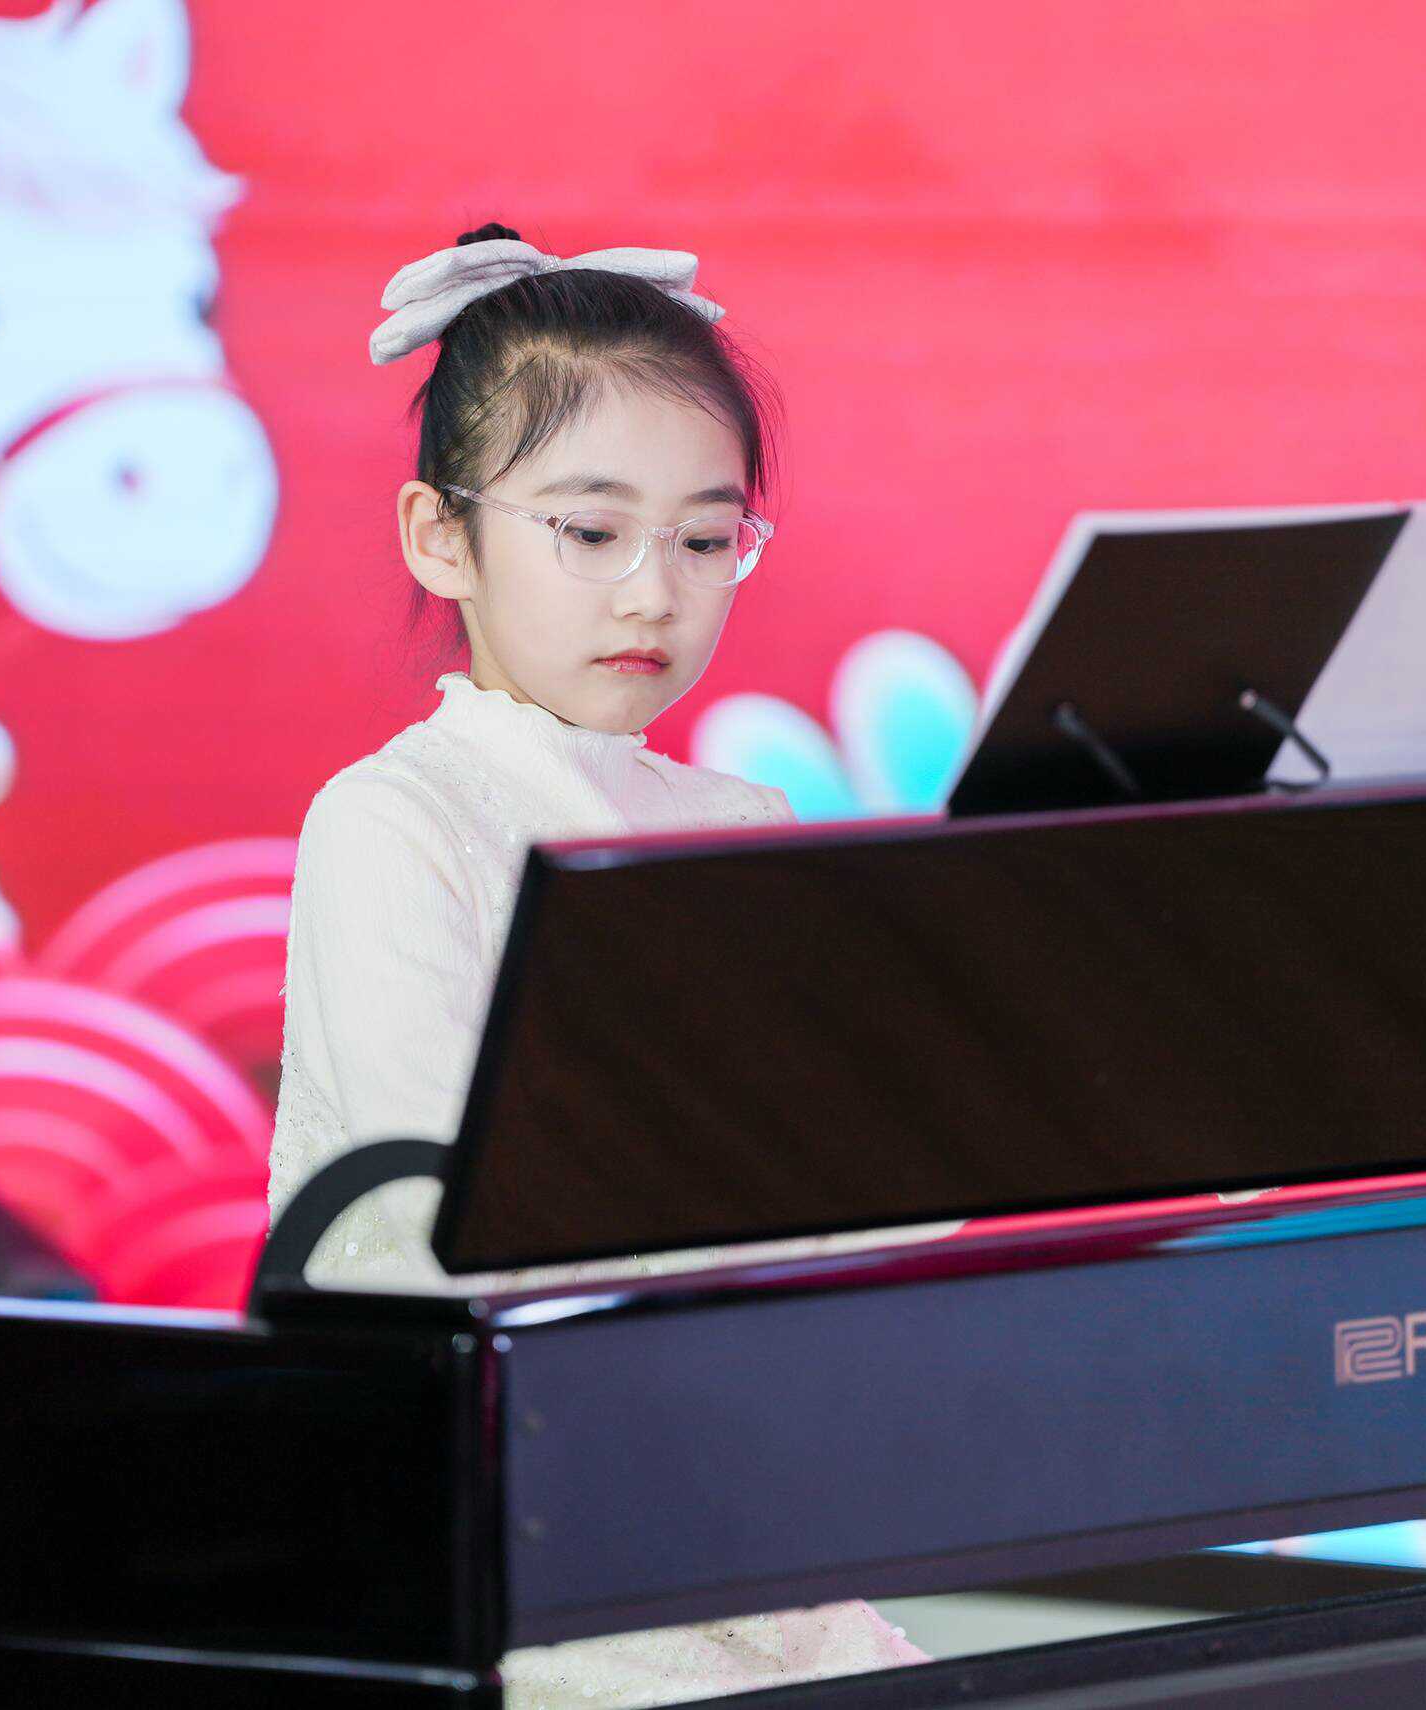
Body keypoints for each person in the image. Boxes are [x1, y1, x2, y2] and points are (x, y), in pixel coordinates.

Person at [266, 224, 935, 1706]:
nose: (653, 594)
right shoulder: (395, 818)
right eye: (589, 532)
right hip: (488, 1528)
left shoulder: (743, 825)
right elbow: (459, 1210)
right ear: (440, 536)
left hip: (722, 1504)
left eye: (703, 540)